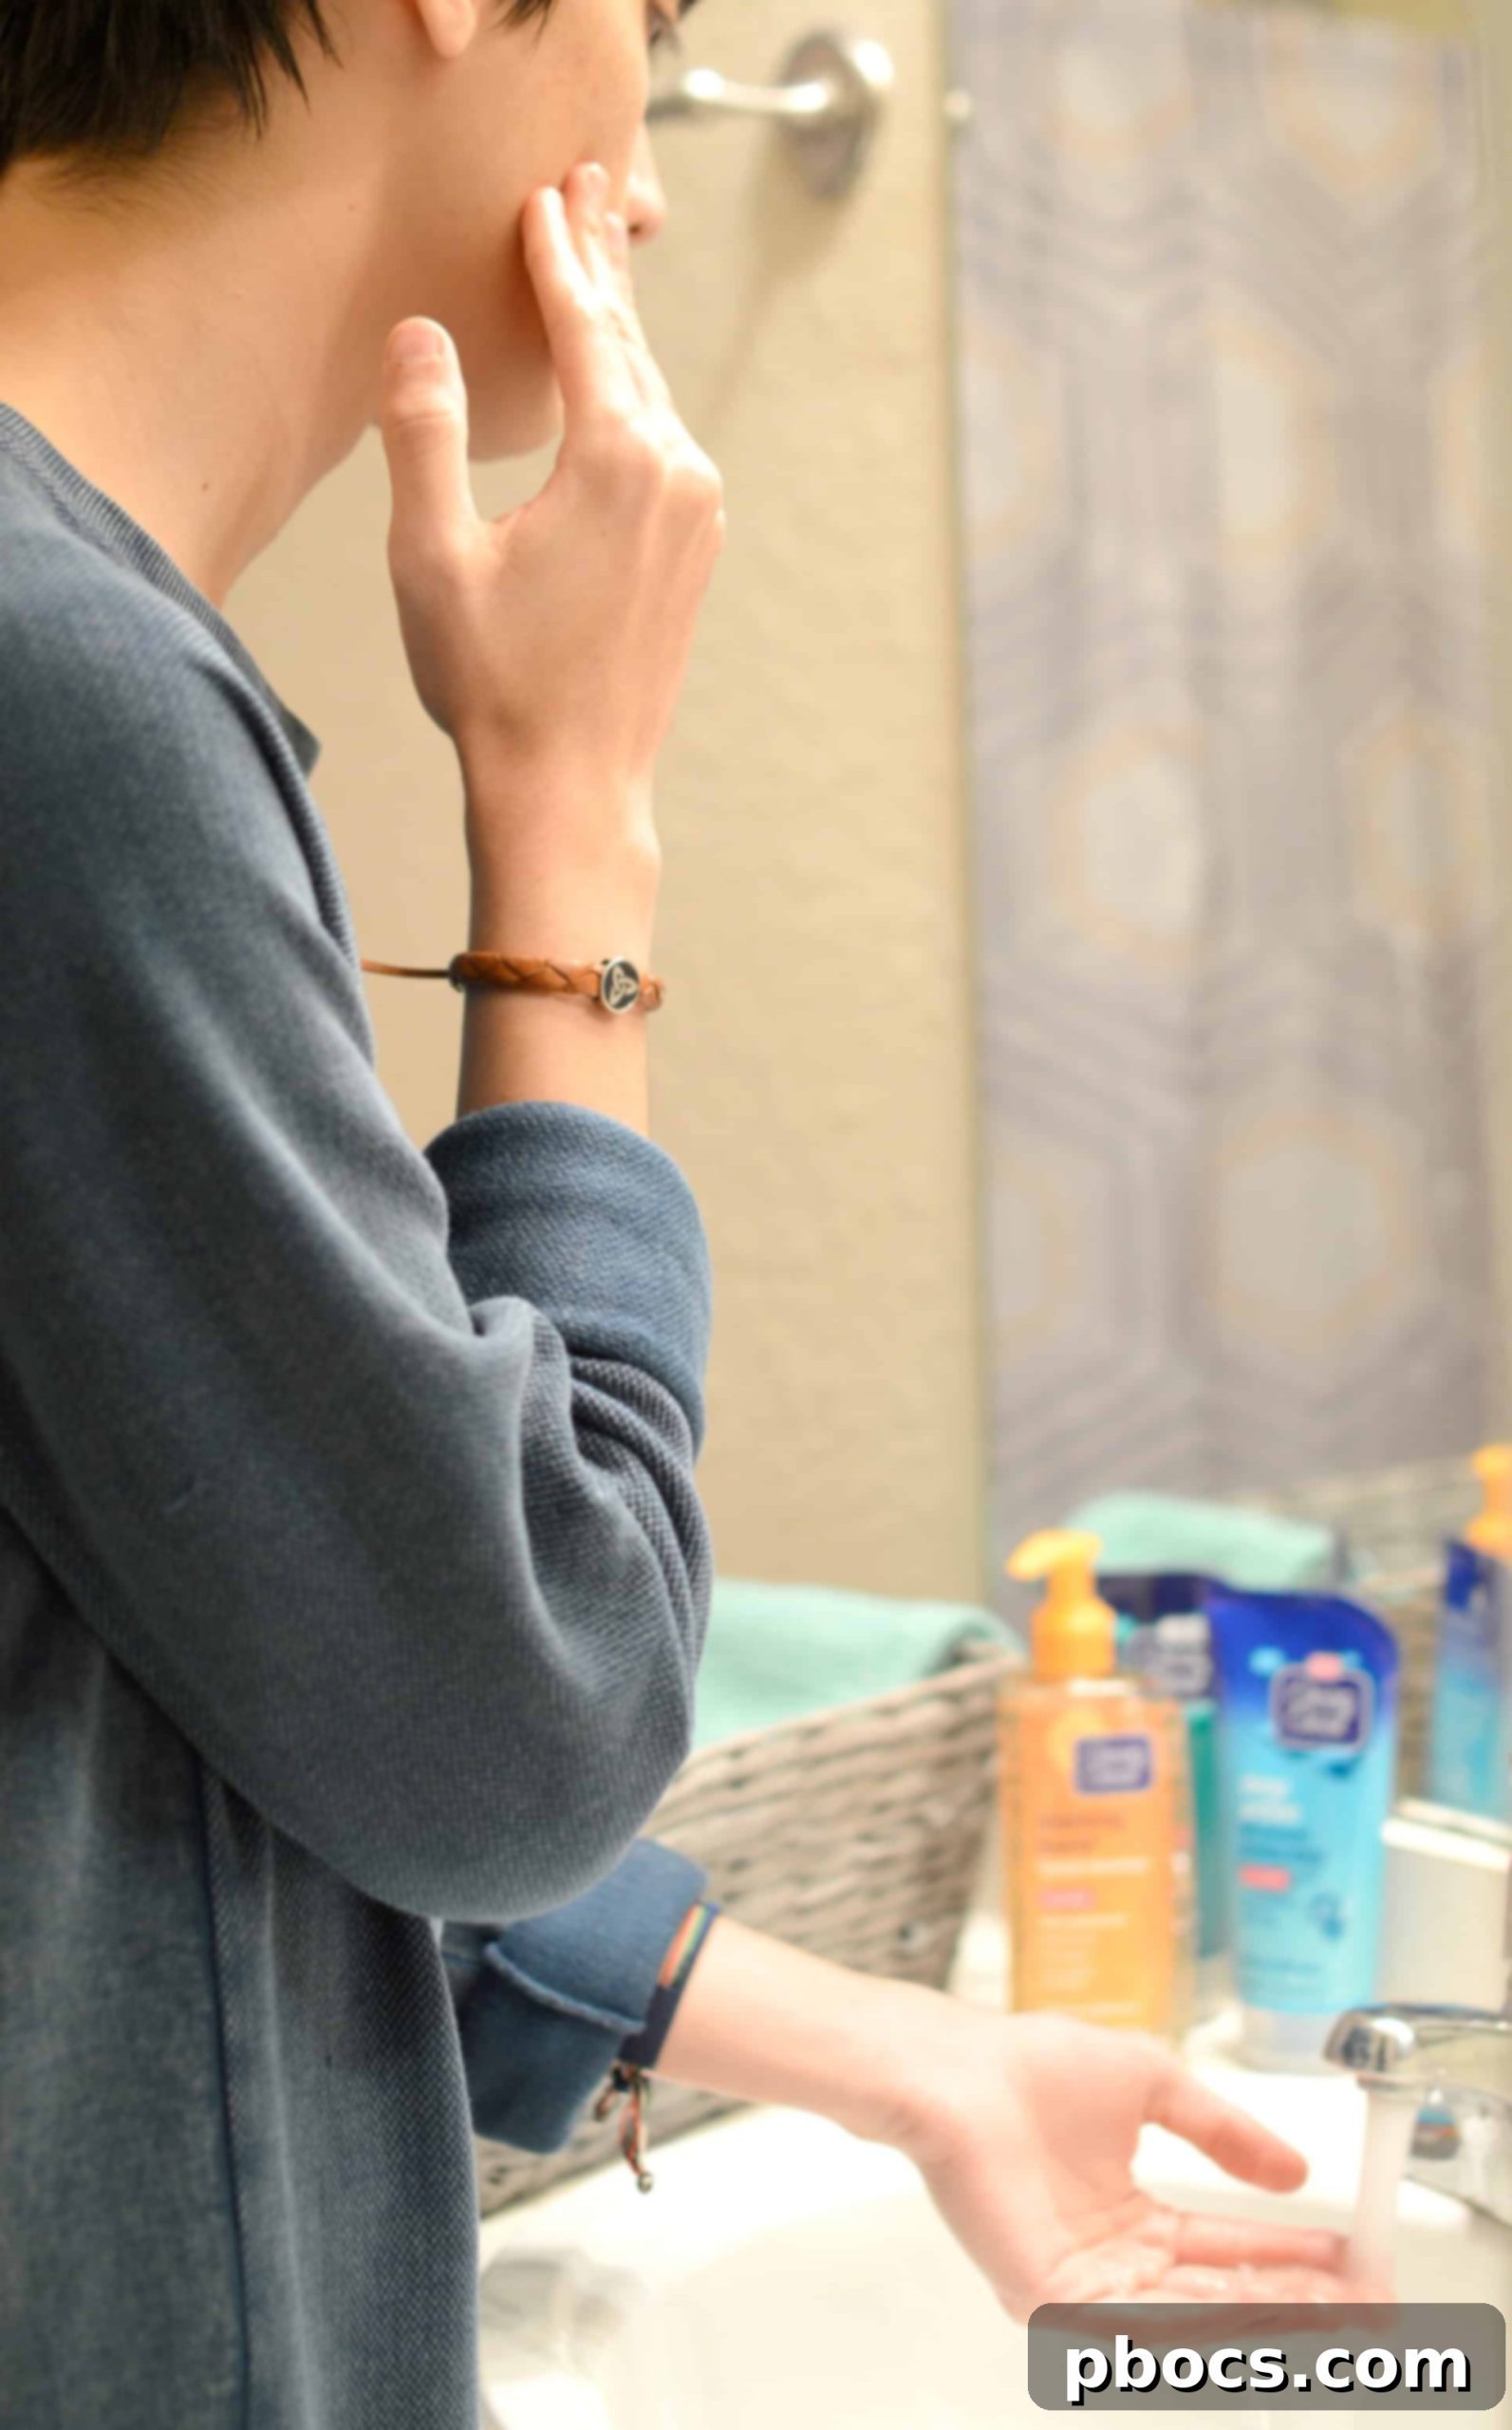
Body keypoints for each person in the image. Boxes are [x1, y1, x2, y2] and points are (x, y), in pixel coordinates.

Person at [0, 5, 1370, 2425]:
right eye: (646, 27)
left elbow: (221, 1678)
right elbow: (513, 1709)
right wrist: (571, 829)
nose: (644, 144)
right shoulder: (65, 705)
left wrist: (897, 2052)